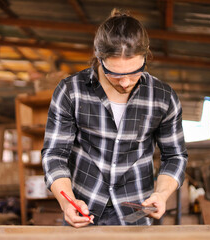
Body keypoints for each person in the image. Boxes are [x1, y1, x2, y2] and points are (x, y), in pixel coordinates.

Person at [42, 9, 187, 227]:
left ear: (146, 55)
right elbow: (54, 154)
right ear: (98, 57)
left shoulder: (163, 98)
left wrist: (162, 194)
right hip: (83, 213)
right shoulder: (70, 91)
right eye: (116, 74)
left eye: (135, 71)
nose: (126, 82)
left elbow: (175, 156)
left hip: (137, 215)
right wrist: (67, 202)